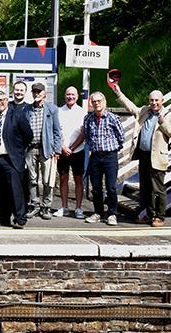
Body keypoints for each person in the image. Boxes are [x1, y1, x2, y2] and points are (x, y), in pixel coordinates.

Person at [113, 84, 171, 227]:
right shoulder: (145, 111)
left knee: (158, 189)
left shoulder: (169, 115)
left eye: (157, 100)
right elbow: (131, 107)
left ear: (162, 101)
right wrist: (119, 93)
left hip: (157, 157)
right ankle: (149, 215)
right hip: (143, 155)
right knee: (145, 188)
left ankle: (159, 216)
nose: (154, 103)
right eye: (151, 100)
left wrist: (164, 124)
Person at [0, 90, 33, 229]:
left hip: (11, 158)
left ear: (7, 100)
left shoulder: (17, 115)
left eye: (1, 100)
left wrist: (17, 149)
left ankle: (20, 219)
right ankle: (3, 218)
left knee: (15, 190)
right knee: (0, 191)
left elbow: (28, 135)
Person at [82, 92, 125, 226]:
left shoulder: (112, 118)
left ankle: (112, 213)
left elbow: (121, 136)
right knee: (95, 188)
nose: (96, 103)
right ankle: (98, 212)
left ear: (104, 101)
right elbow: (88, 137)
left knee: (111, 187)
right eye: (94, 101)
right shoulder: (88, 119)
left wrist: (112, 150)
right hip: (95, 156)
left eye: (99, 101)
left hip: (110, 156)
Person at [25, 83, 62, 220]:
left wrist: (57, 150)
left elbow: (57, 131)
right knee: (32, 180)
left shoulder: (52, 109)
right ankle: (34, 205)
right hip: (30, 149)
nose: (36, 94)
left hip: (47, 149)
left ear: (44, 93)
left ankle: (46, 207)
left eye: (39, 92)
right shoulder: (27, 109)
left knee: (48, 180)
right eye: (34, 92)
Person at [56, 86, 87, 219]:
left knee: (78, 179)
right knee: (63, 178)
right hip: (62, 150)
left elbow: (83, 133)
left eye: (73, 95)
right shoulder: (58, 111)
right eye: (68, 94)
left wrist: (72, 148)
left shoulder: (82, 112)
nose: (70, 97)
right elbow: (56, 132)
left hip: (77, 150)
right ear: (65, 96)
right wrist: (63, 147)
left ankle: (79, 208)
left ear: (77, 96)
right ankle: (64, 207)